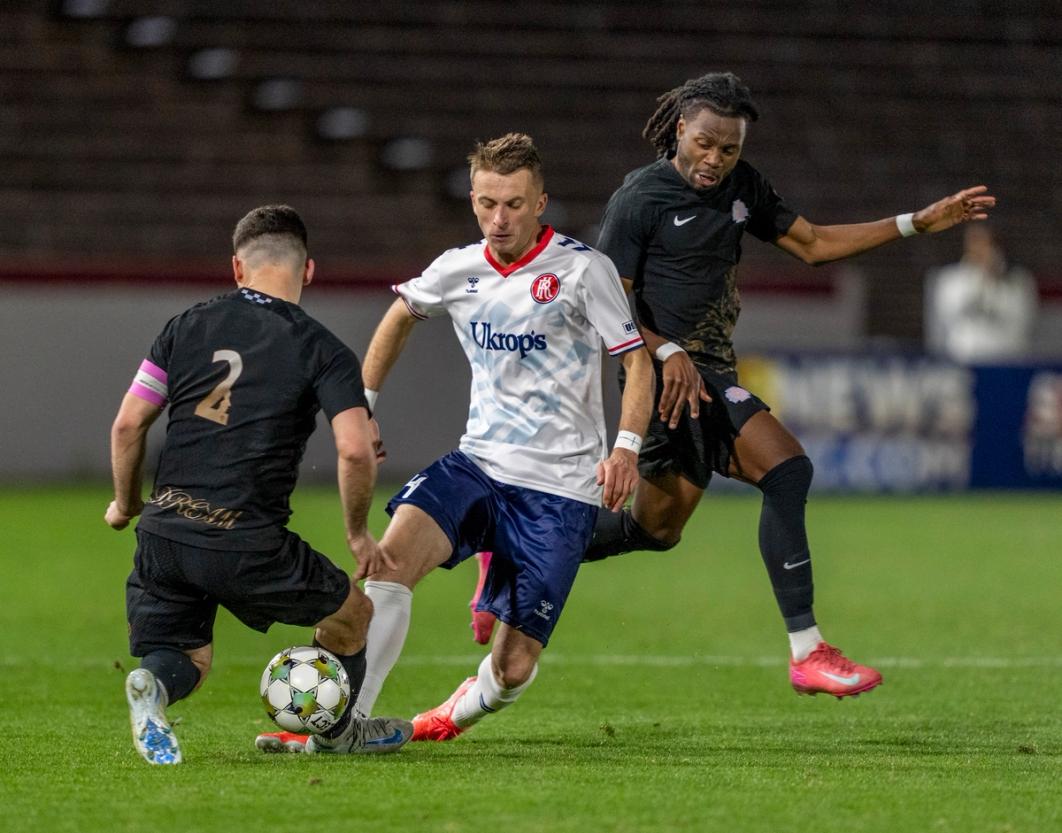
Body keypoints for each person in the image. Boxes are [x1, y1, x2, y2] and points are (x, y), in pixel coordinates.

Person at [562, 71, 996, 698]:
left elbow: (813, 243)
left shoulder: (743, 187)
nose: (714, 159)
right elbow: (608, 312)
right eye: (705, 143)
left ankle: (515, 545)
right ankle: (808, 651)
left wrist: (915, 224)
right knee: (787, 469)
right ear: (680, 128)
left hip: (709, 370)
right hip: (665, 379)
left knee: (654, 531)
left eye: (728, 148)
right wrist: (668, 351)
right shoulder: (639, 197)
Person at [255, 132, 653, 750]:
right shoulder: (457, 268)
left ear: (540, 201)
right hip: (478, 465)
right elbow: (399, 317)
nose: (499, 219)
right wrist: (364, 408)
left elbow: (636, 361)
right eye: (488, 203)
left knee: (513, 667)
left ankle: (456, 711)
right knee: (384, 569)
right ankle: (339, 726)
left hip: (559, 488)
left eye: (514, 204)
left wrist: (626, 445)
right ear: (473, 199)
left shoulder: (582, 270)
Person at [106, 205, 413, 764]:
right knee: (353, 615)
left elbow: (128, 423)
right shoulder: (323, 349)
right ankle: (338, 733)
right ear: (309, 271)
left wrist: (126, 504)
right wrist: (358, 534)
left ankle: (153, 686)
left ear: (238, 268)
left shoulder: (185, 325)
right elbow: (353, 448)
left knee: (187, 660)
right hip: (245, 540)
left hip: (166, 533)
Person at [925, 224, 1037, 363]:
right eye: (975, 242)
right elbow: (948, 316)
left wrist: (994, 280)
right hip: (964, 361)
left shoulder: (1018, 280)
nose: (980, 249)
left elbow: (1022, 321)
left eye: (985, 243)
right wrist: (979, 278)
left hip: (1006, 360)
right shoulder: (951, 278)